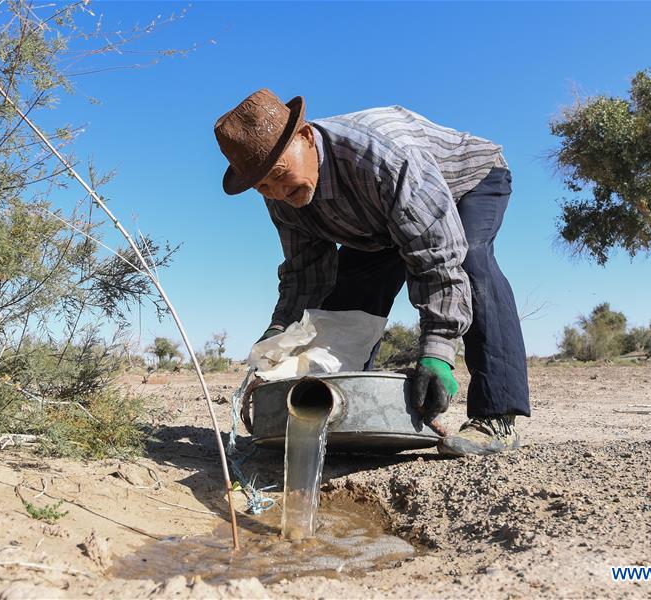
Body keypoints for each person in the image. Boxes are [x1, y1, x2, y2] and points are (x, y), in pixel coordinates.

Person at [214, 89, 529, 456]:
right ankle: (349, 415)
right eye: (263, 186)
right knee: (347, 295)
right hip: (379, 223)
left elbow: (437, 258)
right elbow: (305, 277)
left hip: (467, 182)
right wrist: (275, 349)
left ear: (305, 136)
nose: (278, 192)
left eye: (280, 174)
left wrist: (437, 352)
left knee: (471, 264)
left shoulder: (385, 159)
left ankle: (496, 417)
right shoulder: (282, 200)